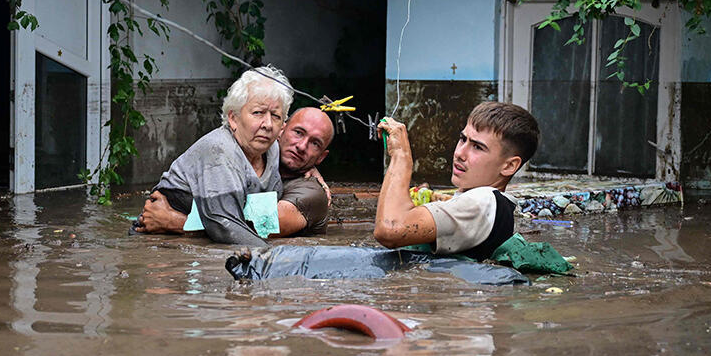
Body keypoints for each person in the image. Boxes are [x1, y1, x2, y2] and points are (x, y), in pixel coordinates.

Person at [145, 65, 292, 246]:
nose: (268, 124)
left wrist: (313, 171)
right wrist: (278, 259)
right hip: (163, 245)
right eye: (258, 113)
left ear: (282, 126)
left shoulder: (273, 150)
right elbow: (225, 227)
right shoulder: (219, 150)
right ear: (233, 118)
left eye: (276, 116)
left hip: (192, 234)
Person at [372, 102, 539, 260]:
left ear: (509, 165)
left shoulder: (482, 200)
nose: (460, 153)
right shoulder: (496, 205)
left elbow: (389, 229)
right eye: (463, 139)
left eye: (477, 147)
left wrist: (401, 155)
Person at [138, 106, 335, 237]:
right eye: (298, 133)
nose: (301, 146)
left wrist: (172, 222)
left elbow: (258, 228)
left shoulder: (312, 193)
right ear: (280, 130)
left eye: (314, 143)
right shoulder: (251, 159)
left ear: (321, 157)